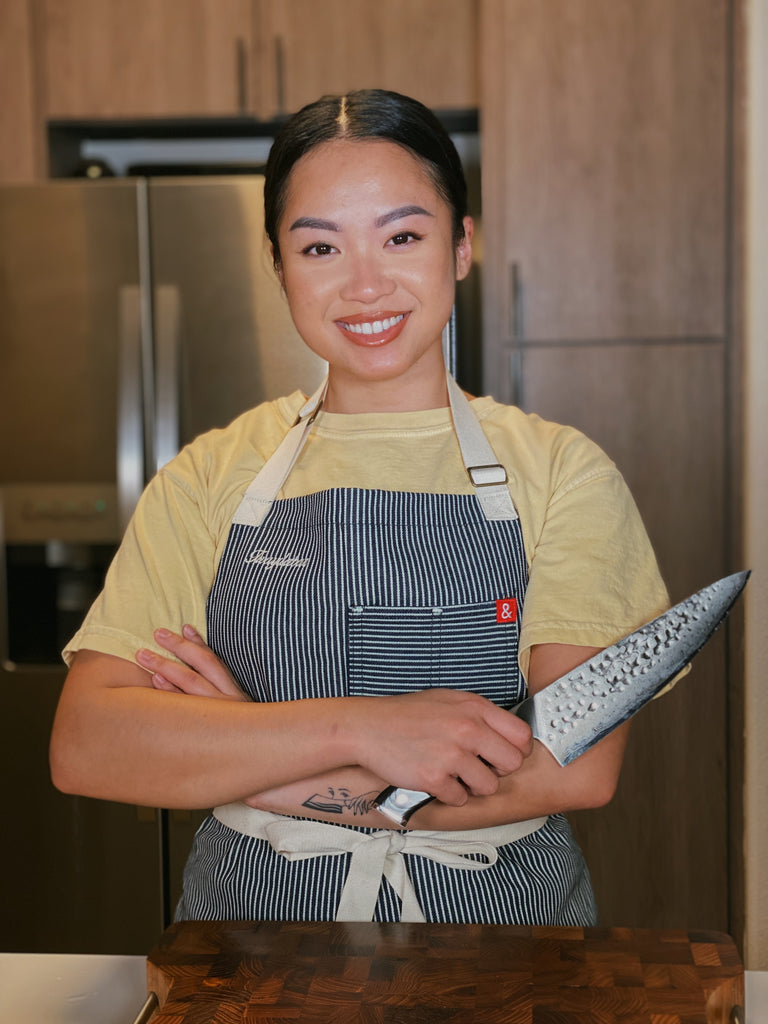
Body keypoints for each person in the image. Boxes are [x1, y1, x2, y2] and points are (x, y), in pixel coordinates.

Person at [50, 89, 669, 926]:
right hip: (248, 952)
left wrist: (247, 746)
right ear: (278, 266)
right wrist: (357, 728)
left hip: (510, 953)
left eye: (403, 236)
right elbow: (90, 742)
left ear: (461, 246)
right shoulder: (209, 476)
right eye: (319, 248)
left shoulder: (562, 473)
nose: (365, 285)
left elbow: (573, 768)